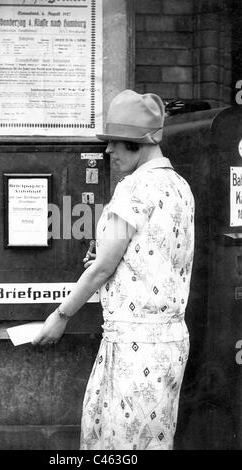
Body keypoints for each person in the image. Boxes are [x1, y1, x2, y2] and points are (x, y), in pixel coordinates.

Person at [32, 90, 195, 450]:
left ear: (138, 142)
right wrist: (113, 259)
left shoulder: (134, 188)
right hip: (169, 343)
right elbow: (155, 257)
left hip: (134, 347)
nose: (108, 152)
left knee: (119, 446)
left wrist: (61, 315)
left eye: (116, 143)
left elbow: (102, 268)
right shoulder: (180, 187)